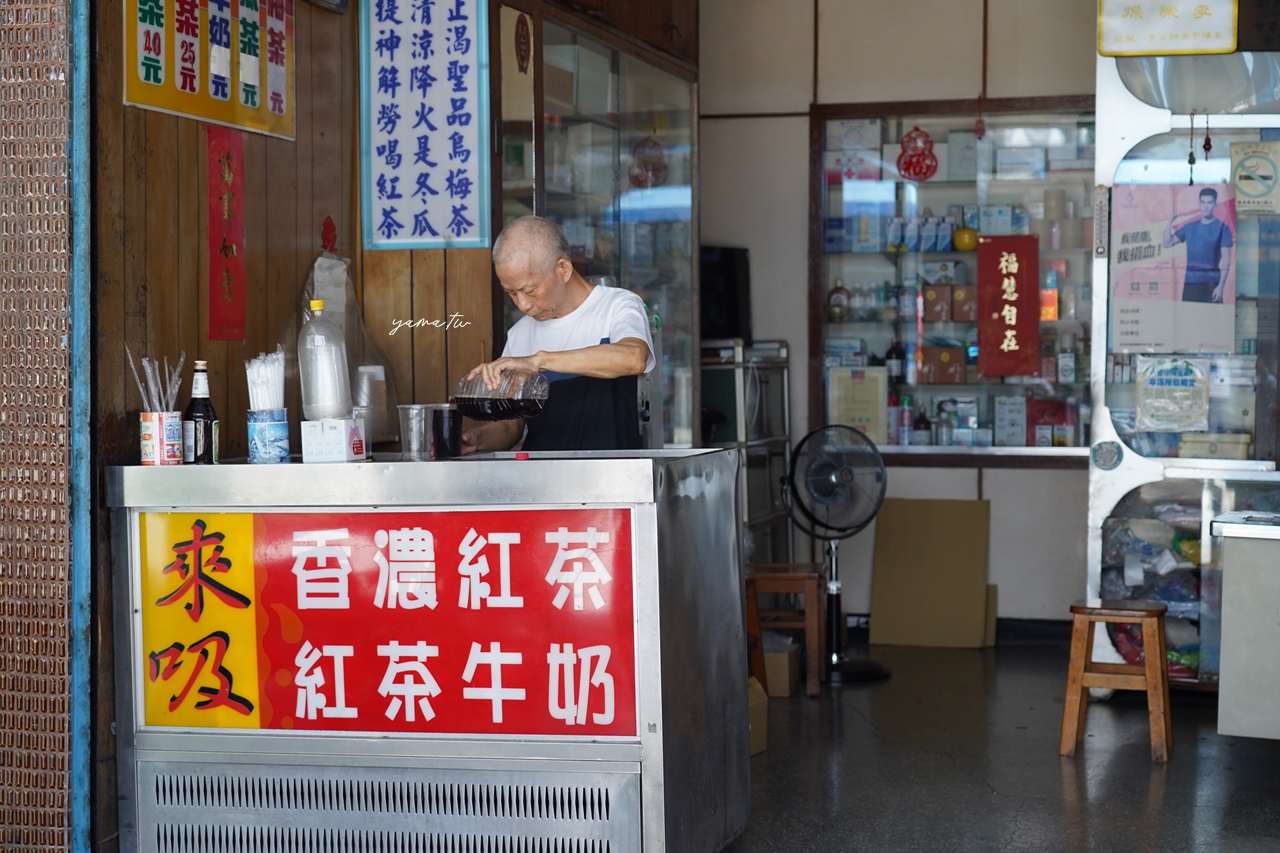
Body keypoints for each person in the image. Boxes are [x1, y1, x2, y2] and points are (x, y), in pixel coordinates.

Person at [461, 216, 655, 453]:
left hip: (611, 478)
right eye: (511, 293)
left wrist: (537, 361)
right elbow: (512, 427)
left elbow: (634, 358)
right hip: (542, 480)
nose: (522, 304)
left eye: (529, 290)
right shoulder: (520, 333)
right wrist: (476, 439)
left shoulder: (616, 306)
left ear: (563, 269)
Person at [1163, 187, 1234, 303]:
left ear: (1215, 204)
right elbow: (1167, 243)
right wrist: (1170, 221)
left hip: (1212, 285)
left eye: (1209, 202)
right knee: (1189, 320)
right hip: (1191, 285)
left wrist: (1221, 287)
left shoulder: (1223, 228)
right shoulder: (1189, 227)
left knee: (1211, 320)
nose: (1206, 206)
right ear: (1199, 204)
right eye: (1203, 202)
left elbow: (1227, 260)